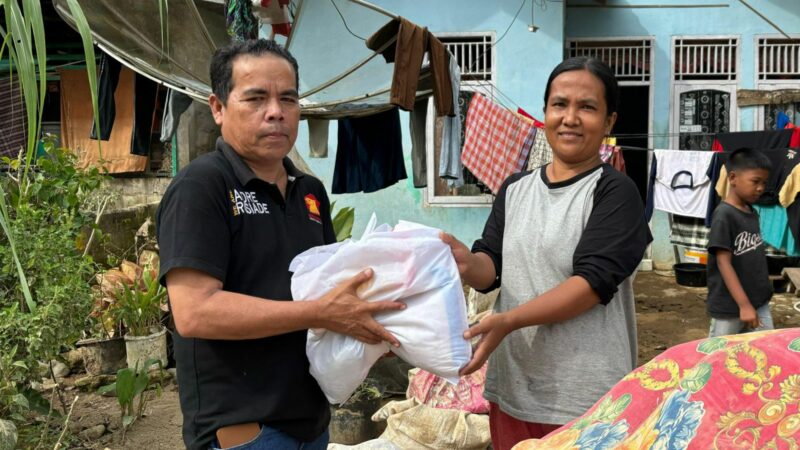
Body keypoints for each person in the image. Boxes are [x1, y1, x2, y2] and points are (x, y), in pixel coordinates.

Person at [156, 39, 405, 450]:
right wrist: (321, 312)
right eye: (256, 98)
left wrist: (373, 326)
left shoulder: (310, 191)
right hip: (247, 431)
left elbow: (326, 289)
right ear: (217, 107)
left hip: (310, 423)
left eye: (287, 98)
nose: (276, 111)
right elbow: (195, 312)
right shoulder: (202, 187)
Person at [440, 57, 652, 450]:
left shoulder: (615, 192)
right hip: (516, 390)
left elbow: (591, 284)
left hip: (587, 398)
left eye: (587, 107)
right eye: (560, 104)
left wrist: (509, 320)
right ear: (545, 113)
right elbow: (493, 269)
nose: (570, 117)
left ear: (608, 123)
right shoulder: (514, 188)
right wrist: (466, 263)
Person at [706, 148, 773, 337]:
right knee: (720, 355)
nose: (761, 188)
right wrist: (744, 305)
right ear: (733, 178)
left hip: (758, 302)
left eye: (764, 182)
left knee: (767, 348)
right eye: (755, 181)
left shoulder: (751, 211)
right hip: (729, 307)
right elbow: (723, 262)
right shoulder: (724, 215)